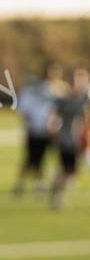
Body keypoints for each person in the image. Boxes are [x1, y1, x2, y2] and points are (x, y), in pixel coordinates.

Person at [13, 62, 64, 195]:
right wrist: (30, 124)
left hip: (53, 131)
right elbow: (25, 109)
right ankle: (23, 182)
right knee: (32, 159)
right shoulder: (34, 89)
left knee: (52, 158)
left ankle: (43, 183)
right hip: (36, 130)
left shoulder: (60, 90)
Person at [50, 67, 90, 209]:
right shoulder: (63, 99)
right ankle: (56, 194)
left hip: (81, 140)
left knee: (73, 170)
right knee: (67, 169)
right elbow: (54, 118)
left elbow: (86, 119)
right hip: (67, 140)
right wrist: (55, 133)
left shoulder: (85, 98)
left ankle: (57, 186)